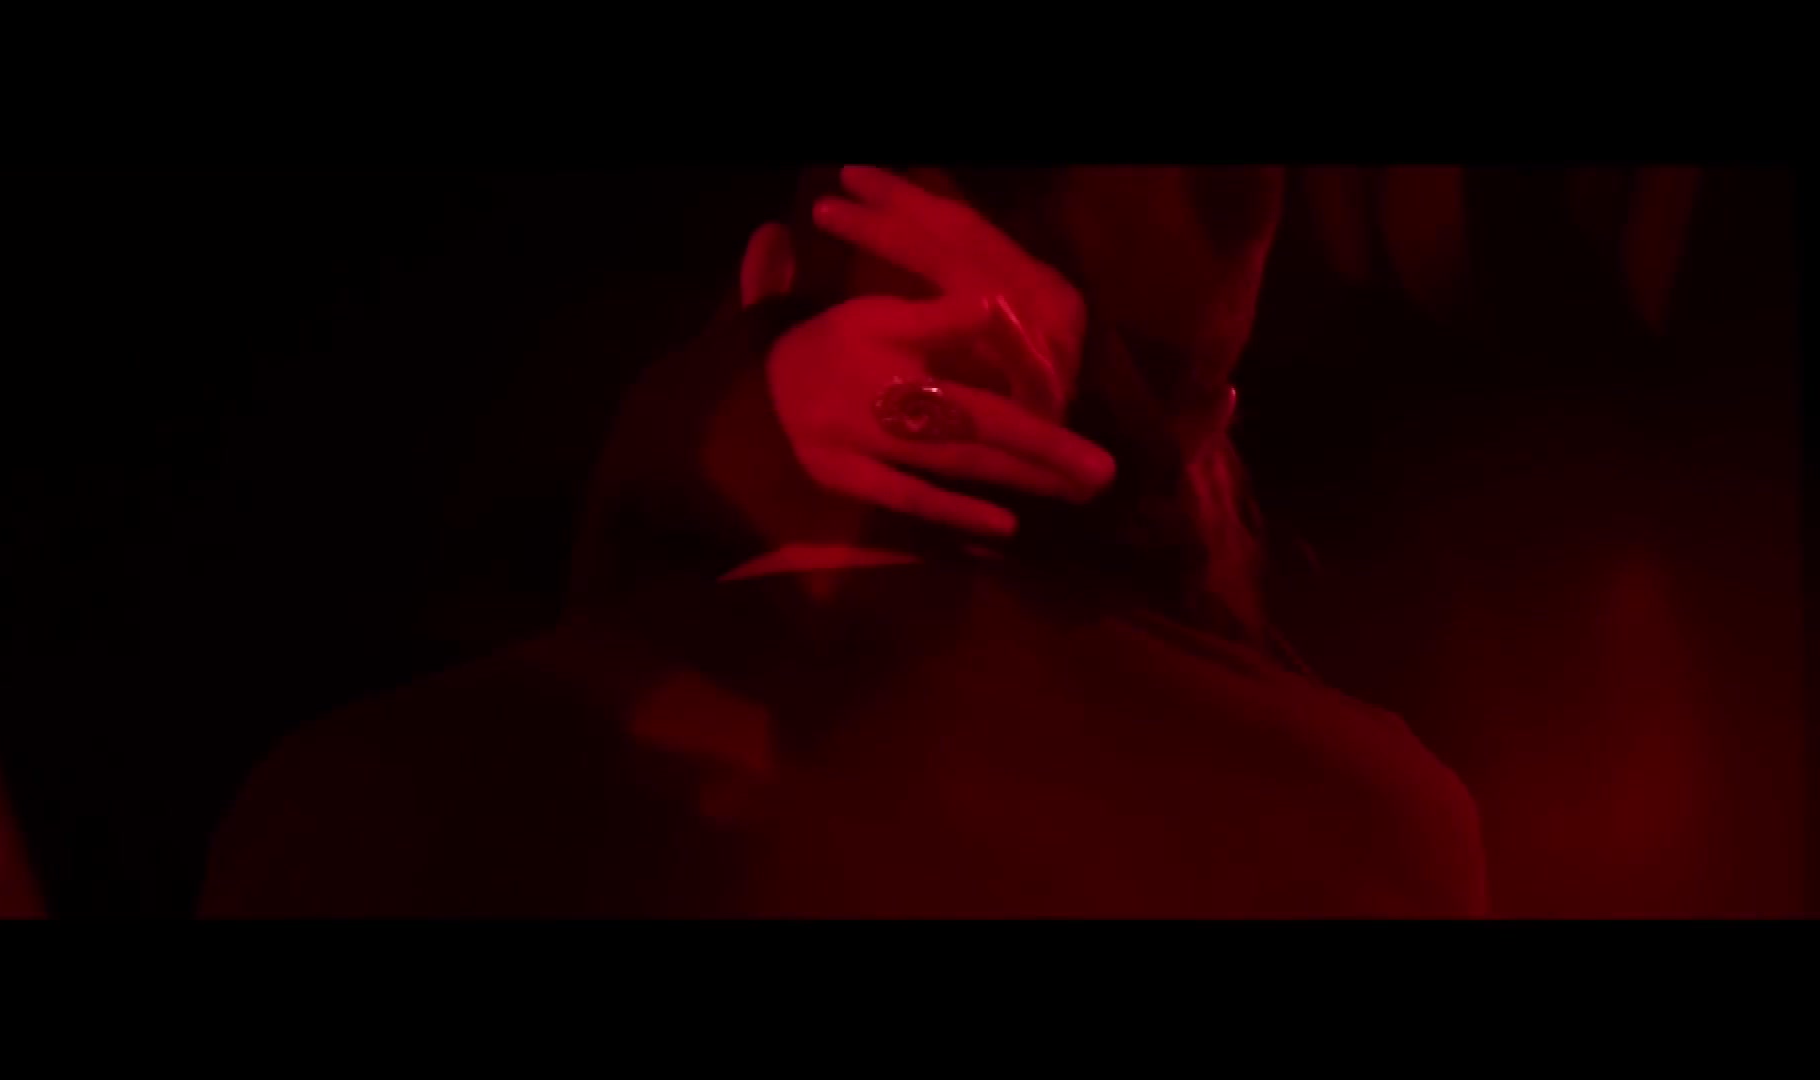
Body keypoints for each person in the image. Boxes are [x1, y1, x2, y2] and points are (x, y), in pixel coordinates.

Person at [201, 165, 1487, 918]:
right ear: (1214, 422)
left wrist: (685, 457)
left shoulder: (354, 802)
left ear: (762, 277)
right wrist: (1123, 495)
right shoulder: (1381, 832)